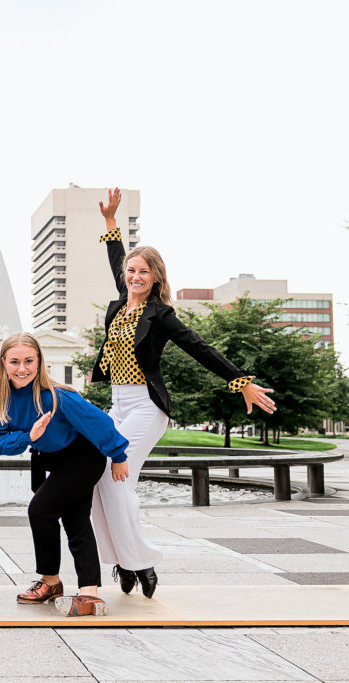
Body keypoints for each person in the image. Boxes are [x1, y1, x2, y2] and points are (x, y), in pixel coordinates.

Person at [91, 188, 276, 598]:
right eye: (132, 270)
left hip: (146, 406)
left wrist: (240, 382)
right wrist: (109, 223)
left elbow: (199, 347)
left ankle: (139, 561)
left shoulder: (160, 315)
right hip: (116, 405)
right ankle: (124, 558)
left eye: (144, 272)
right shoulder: (120, 305)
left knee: (116, 479)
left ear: (156, 277)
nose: (136, 276)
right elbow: (114, 258)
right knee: (99, 481)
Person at [0, 333, 129, 617]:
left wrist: (119, 455)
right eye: (14, 362)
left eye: (29, 361)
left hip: (83, 457)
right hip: (51, 459)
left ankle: (58, 584)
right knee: (74, 519)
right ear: (3, 363)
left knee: (41, 510)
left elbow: (99, 422)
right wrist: (29, 436)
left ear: (39, 362)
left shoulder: (56, 395)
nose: (22, 368)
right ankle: (84, 591)